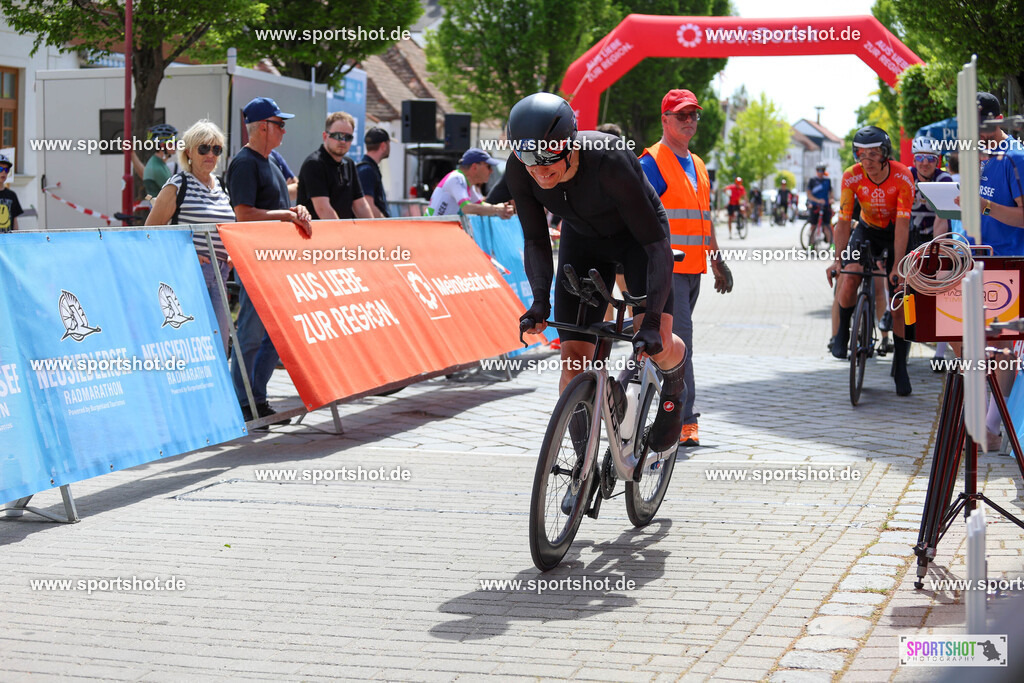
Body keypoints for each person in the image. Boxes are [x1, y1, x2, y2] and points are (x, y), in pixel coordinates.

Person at [507, 91, 689, 458]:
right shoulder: (521, 168)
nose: (540, 170)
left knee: (657, 343)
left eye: (548, 157)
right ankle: (581, 466)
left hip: (639, 242)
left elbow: (657, 248)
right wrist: (540, 302)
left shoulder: (608, 159)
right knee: (573, 360)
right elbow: (536, 240)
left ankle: (674, 388)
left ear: (570, 144)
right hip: (584, 241)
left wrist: (651, 322)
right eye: (529, 158)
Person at [639, 88, 732, 447]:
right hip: (666, 272)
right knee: (680, 345)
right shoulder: (652, 161)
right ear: (665, 120)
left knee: (661, 345)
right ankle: (683, 421)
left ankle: (619, 392)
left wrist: (717, 258)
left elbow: (703, 219)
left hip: (693, 270)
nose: (690, 120)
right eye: (682, 115)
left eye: (694, 114)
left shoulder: (698, 164)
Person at [227, 97, 313, 425]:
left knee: (274, 336)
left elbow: (280, 204)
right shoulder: (245, 163)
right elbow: (244, 215)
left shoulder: (271, 160)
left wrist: (296, 210)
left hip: (275, 261)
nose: (284, 130)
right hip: (256, 261)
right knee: (251, 333)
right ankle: (244, 403)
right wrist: (286, 216)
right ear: (263, 126)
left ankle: (256, 399)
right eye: (280, 124)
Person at [827, 125, 915, 395]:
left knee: (900, 299)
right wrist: (838, 260)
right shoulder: (851, 177)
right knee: (850, 275)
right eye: (861, 155)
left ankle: (900, 365)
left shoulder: (902, 177)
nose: (867, 161)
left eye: (874, 154)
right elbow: (843, 221)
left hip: (895, 233)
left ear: (885, 154)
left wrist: (898, 265)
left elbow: (902, 226)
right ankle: (842, 333)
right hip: (866, 229)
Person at [146, 119, 235, 356]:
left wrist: (232, 253)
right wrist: (190, 254)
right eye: (203, 148)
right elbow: (149, 233)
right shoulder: (178, 184)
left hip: (221, 276)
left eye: (216, 149)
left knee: (218, 349)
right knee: (191, 348)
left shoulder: (222, 188)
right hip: (188, 277)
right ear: (188, 152)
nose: (211, 154)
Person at [297, 111, 374, 220]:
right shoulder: (314, 164)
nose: (343, 141)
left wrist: (373, 232)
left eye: (348, 137)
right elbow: (323, 209)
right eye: (337, 136)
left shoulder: (349, 164)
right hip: (316, 234)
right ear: (325, 136)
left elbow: (360, 205)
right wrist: (342, 236)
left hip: (340, 232)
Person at [427, 148, 514, 217]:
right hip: (432, 231)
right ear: (474, 167)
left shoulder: (466, 183)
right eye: (488, 166)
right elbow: (467, 208)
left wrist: (501, 210)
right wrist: (496, 209)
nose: (491, 171)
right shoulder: (457, 178)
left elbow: (481, 205)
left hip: (437, 229)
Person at [357, 127, 391, 218]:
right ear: (383, 146)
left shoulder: (368, 168)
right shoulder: (366, 170)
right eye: (389, 143)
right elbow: (368, 205)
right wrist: (386, 224)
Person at [143, 124, 180, 198]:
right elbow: (174, 194)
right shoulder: (157, 167)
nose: (176, 145)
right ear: (162, 145)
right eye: (173, 143)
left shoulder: (159, 163)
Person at [0, 154, 23, 232]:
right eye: (0, 169)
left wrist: (16, 238)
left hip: (7, 240)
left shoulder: (11, 195)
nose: (3, 172)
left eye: (6, 170)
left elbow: (14, 221)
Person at [806, 163, 833, 228]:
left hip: (825, 206)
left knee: (827, 226)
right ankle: (811, 237)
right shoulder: (812, 180)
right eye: (819, 170)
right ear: (816, 171)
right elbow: (808, 194)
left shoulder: (827, 180)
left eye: (822, 170)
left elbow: (830, 192)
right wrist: (817, 200)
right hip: (815, 205)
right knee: (813, 226)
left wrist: (831, 199)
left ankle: (829, 238)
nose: (821, 172)